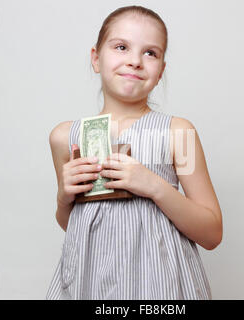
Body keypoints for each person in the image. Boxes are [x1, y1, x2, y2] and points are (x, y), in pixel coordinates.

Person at [46, 5, 223, 300]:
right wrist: (64, 198)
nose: (135, 61)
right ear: (96, 59)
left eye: (150, 53)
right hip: (89, 284)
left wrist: (154, 186)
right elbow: (75, 225)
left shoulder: (179, 133)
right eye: (121, 47)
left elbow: (212, 233)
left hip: (162, 287)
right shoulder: (65, 137)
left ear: (161, 69)